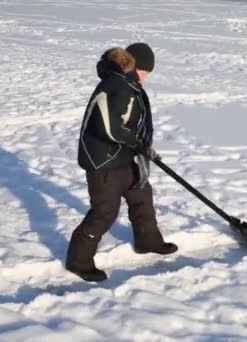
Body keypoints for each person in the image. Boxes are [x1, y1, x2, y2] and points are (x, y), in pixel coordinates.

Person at [66, 43, 178, 282]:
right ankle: (78, 260)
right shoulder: (117, 85)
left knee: (141, 194)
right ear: (137, 66)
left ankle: (148, 241)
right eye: (147, 70)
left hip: (121, 157)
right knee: (104, 212)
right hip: (103, 161)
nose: (147, 76)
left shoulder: (125, 83)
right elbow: (109, 127)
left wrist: (142, 145)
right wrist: (136, 142)